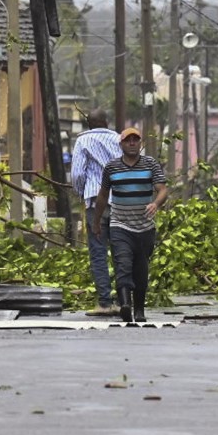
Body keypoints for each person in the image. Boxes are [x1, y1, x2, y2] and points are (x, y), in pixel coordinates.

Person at [92, 128, 168, 323]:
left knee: (141, 268)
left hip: (145, 227)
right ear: (121, 145)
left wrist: (155, 203)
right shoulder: (112, 167)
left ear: (140, 143)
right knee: (122, 264)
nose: (132, 143)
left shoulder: (150, 164)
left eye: (135, 140)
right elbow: (102, 195)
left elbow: (162, 190)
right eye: (128, 140)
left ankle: (139, 310)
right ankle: (125, 305)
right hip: (120, 225)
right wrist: (97, 221)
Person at [69, 108, 122, 316]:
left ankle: (105, 302)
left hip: (95, 204)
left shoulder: (83, 141)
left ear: (88, 124)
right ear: (106, 122)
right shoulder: (120, 140)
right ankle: (123, 300)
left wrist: (81, 192)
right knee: (121, 252)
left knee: (98, 252)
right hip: (121, 202)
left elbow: (77, 174)